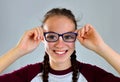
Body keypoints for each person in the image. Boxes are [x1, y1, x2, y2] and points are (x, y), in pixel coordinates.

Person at [0, 8, 120, 82]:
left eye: (68, 37)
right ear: (42, 38)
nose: (60, 44)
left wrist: (101, 47)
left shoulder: (91, 75)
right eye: (52, 36)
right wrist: (19, 50)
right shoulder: (29, 75)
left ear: (75, 38)